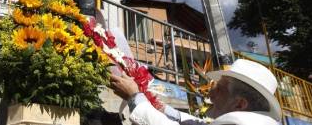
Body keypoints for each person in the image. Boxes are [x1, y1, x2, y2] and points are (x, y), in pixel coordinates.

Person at [110, 59, 282, 125]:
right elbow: (199, 124)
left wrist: (134, 97)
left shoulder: (240, 123)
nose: (210, 94)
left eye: (220, 89)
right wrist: (166, 110)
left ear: (239, 104)